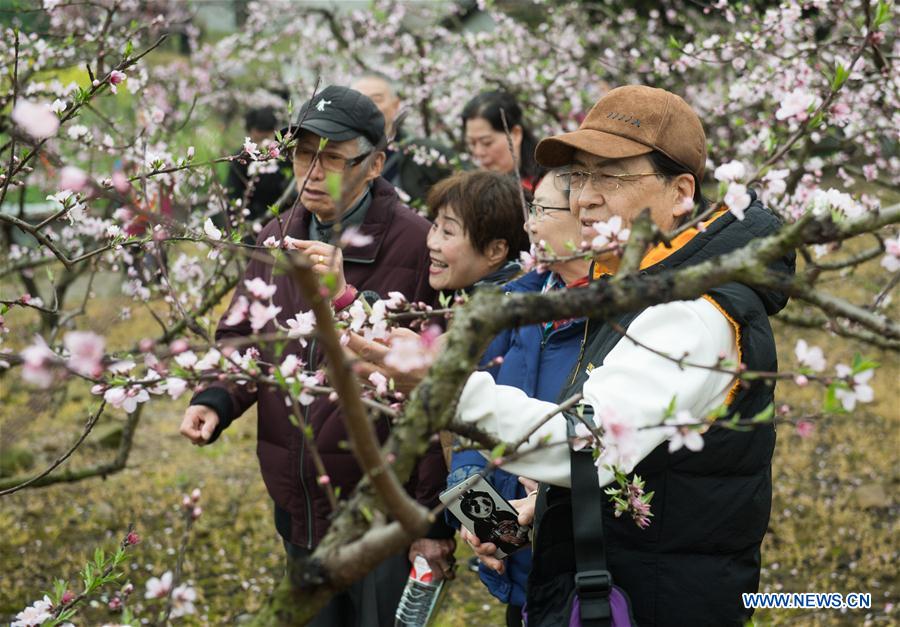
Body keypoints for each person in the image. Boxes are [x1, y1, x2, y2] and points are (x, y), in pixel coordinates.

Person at [454, 85, 795, 626]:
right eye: (580, 176)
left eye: (610, 177)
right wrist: (541, 510)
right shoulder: (634, 287)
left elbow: (587, 444)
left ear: (681, 191)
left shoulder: (691, 312)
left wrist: (441, 387)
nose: (583, 197)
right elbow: (631, 458)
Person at [180, 85, 454, 627]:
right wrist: (216, 397)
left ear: (375, 163)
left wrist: (432, 523)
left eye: (332, 157)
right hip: (299, 503)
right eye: (303, 154)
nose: (310, 174)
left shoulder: (417, 245)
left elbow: (432, 393)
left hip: (383, 516)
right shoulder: (277, 236)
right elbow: (243, 333)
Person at [448, 170, 591, 627]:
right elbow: (469, 426)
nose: (529, 226)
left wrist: (540, 510)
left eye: (544, 211)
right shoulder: (510, 304)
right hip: (521, 567)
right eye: (532, 209)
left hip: (583, 573)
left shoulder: (616, 322)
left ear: (590, 218)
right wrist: (487, 529)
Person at [352, 73, 456, 208]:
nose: (368, 106)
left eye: (376, 99)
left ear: (395, 105)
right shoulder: (333, 154)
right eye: (358, 101)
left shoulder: (427, 153)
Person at [462, 90, 544, 193]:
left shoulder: (548, 186)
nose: (478, 152)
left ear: (515, 134)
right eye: (472, 143)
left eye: (487, 142)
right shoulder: (472, 192)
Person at [225, 106, 291, 225]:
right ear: (250, 132)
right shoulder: (239, 159)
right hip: (252, 218)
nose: (263, 142)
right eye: (259, 137)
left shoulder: (283, 157)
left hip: (283, 216)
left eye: (267, 136)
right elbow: (233, 196)